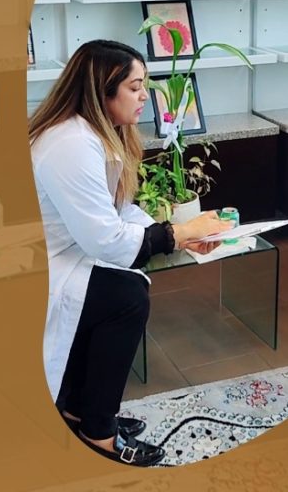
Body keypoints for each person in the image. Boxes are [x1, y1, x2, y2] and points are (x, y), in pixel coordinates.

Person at [29, 39, 231, 467]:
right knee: (125, 298)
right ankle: (98, 432)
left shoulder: (93, 134)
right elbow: (107, 240)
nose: (145, 97)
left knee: (122, 291)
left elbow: (120, 209)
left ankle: (80, 410)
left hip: (67, 254)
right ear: (104, 91)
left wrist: (184, 235)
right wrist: (176, 234)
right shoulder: (70, 143)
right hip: (41, 265)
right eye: (136, 87)